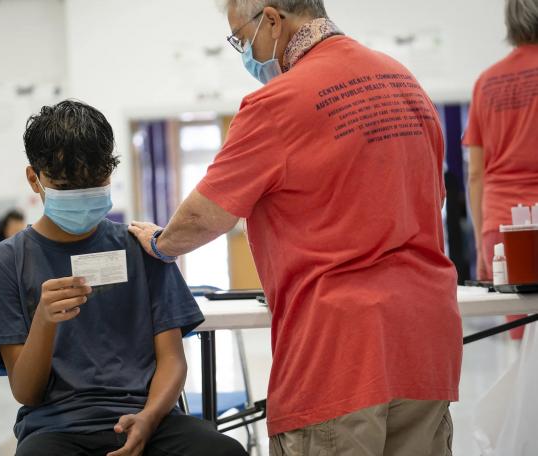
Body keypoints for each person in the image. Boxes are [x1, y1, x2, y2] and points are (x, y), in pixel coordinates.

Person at [128, 1, 463, 455]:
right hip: (426, 339)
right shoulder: (403, 81)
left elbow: (206, 215)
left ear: (271, 19)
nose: (244, 52)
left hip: (338, 350)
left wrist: (160, 243)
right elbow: (433, 196)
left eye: (241, 39)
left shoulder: (278, 102)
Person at [0, 101, 247, 456]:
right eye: (66, 185)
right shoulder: (4, 264)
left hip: (151, 418)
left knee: (223, 451)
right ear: (35, 179)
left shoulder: (142, 248)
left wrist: (148, 418)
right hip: (57, 427)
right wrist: (44, 322)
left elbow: (172, 360)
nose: (82, 195)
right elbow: (26, 393)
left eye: (95, 182)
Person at [464, 0, 538, 339]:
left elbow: (476, 173)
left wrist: (483, 247)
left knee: (524, 342)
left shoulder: (486, 82)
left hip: (503, 227)